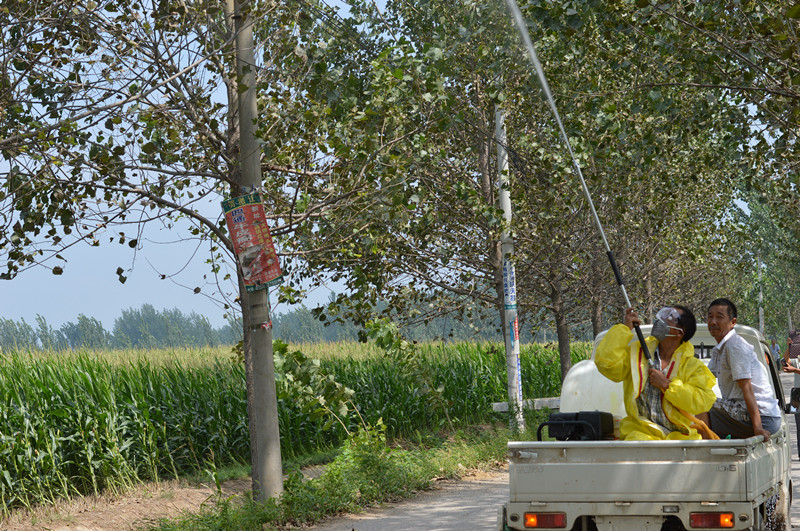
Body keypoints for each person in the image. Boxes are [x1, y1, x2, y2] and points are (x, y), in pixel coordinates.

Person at [595, 305, 716, 440]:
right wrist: (624, 329)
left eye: (670, 317)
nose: (660, 319)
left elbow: (700, 402)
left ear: (680, 332)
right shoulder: (637, 355)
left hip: (680, 439)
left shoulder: (693, 367)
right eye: (662, 314)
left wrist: (666, 384)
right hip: (640, 436)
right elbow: (607, 364)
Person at [705, 298, 781, 441]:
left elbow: (747, 389)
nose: (713, 321)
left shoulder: (734, 346)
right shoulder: (721, 348)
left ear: (732, 322)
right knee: (692, 397)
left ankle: (702, 454)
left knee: (699, 402)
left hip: (763, 418)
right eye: (710, 316)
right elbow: (702, 378)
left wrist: (757, 428)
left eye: (719, 317)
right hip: (743, 412)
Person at [782, 336, 800, 458]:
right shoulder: (798, 359)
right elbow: (785, 362)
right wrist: (789, 347)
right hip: (798, 396)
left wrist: (795, 370)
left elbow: (793, 368)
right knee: (799, 427)